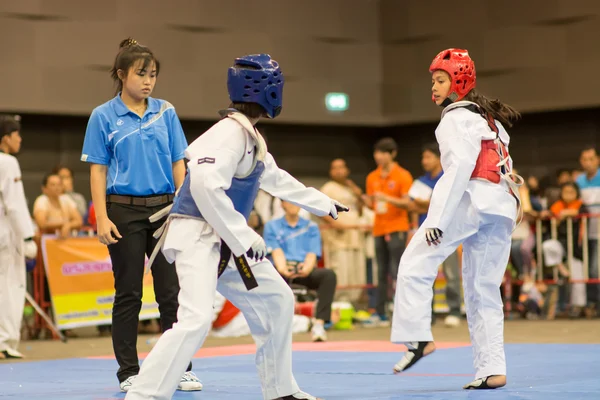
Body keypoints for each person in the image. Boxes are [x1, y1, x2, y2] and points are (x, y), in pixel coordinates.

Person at [125, 53, 347, 400]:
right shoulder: (226, 135)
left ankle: (280, 391)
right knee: (196, 319)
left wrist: (323, 204)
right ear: (266, 92)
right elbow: (202, 185)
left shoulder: (249, 137)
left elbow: (275, 179)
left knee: (277, 300)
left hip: (226, 242)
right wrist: (242, 234)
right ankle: (144, 395)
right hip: (198, 236)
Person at [391, 48, 522, 390]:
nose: (433, 88)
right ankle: (492, 369)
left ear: (458, 82)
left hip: (471, 200)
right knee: (483, 289)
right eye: (433, 81)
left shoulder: (454, 117)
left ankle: (418, 336)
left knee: (416, 261)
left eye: (439, 80)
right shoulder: (490, 120)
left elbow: (460, 168)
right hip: (502, 206)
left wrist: (437, 219)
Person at [80, 38, 201, 392]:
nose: (148, 80)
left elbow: (179, 161)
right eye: (140, 73)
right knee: (129, 292)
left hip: (166, 210)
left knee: (171, 292)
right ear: (121, 75)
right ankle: (128, 372)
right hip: (123, 211)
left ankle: (181, 368)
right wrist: (101, 217)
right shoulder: (103, 116)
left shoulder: (166, 111)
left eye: (153, 74)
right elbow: (98, 170)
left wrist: (185, 206)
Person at [264, 200, 338, 342]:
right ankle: (271, 325)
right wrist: (283, 269)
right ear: (282, 204)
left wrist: (306, 268)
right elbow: (276, 252)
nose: (293, 205)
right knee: (268, 275)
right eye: (289, 202)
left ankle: (319, 324)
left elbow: (312, 253)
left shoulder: (311, 227)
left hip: (304, 270)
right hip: (282, 271)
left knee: (328, 276)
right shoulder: (272, 226)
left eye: (296, 202)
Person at [408, 143, 462, 327]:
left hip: (446, 231)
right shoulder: (420, 181)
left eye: (428, 157)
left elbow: (446, 202)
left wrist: (426, 203)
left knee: (451, 273)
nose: (425, 161)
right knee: (425, 273)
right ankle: (427, 314)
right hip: (425, 231)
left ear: (439, 158)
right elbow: (413, 206)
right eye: (423, 158)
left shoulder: (446, 178)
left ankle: (454, 310)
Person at [363, 138, 413, 324]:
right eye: (376, 152)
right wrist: (366, 201)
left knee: (397, 270)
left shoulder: (403, 175)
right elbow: (371, 204)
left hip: (397, 227)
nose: (378, 156)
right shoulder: (372, 177)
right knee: (381, 271)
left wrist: (388, 198)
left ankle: (400, 311)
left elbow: (408, 203)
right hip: (379, 228)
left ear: (392, 154)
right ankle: (380, 312)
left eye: (383, 152)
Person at [0, 114, 37, 359]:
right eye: (17, 135)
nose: (20, 139)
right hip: (6, 237)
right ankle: (4, 340)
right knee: (9, 287)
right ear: (6, 138)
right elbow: (13, 205)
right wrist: (27, 237)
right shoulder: (8, 162)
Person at [320, 158, 367, 303]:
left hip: (354, 237)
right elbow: (320, 210)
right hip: (338, 239)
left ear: (347, 170)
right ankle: (338, 306)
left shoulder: (350, 188)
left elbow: (361, 211)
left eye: (342, 167)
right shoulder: (328, 188)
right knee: (341, 271)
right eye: (335, 168)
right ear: (331, 172)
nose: (339, 170)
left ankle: (351, 306)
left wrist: (358, 195)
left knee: (356, 272)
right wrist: (335, 224)